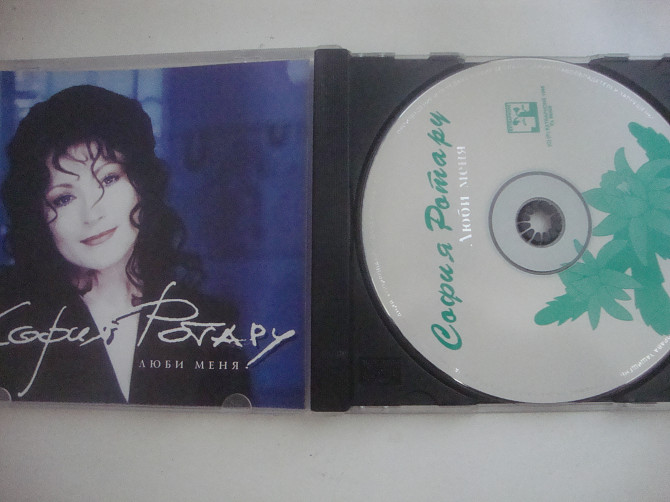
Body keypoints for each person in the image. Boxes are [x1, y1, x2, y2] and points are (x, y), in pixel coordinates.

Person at [0, 85, 249, 406]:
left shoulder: (210, 320)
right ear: (37, 215)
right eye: (63, 198)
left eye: (108, 179)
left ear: (141, 184)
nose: (92, 214)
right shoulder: (8, 315)